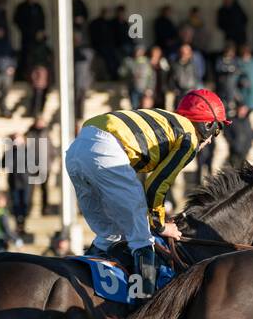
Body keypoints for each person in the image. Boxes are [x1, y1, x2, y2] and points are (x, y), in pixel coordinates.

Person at [64, 90, 228, 296]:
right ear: (207, 125)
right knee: (141, 237)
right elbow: (156, 185)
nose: (212, 140)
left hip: (77, 149)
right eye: (217, 130)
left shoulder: (171, 123)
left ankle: (83, 291)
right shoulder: (189, 139)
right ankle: (145, 304)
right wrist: (160, 225)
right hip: (106, 149)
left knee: (110, 234)